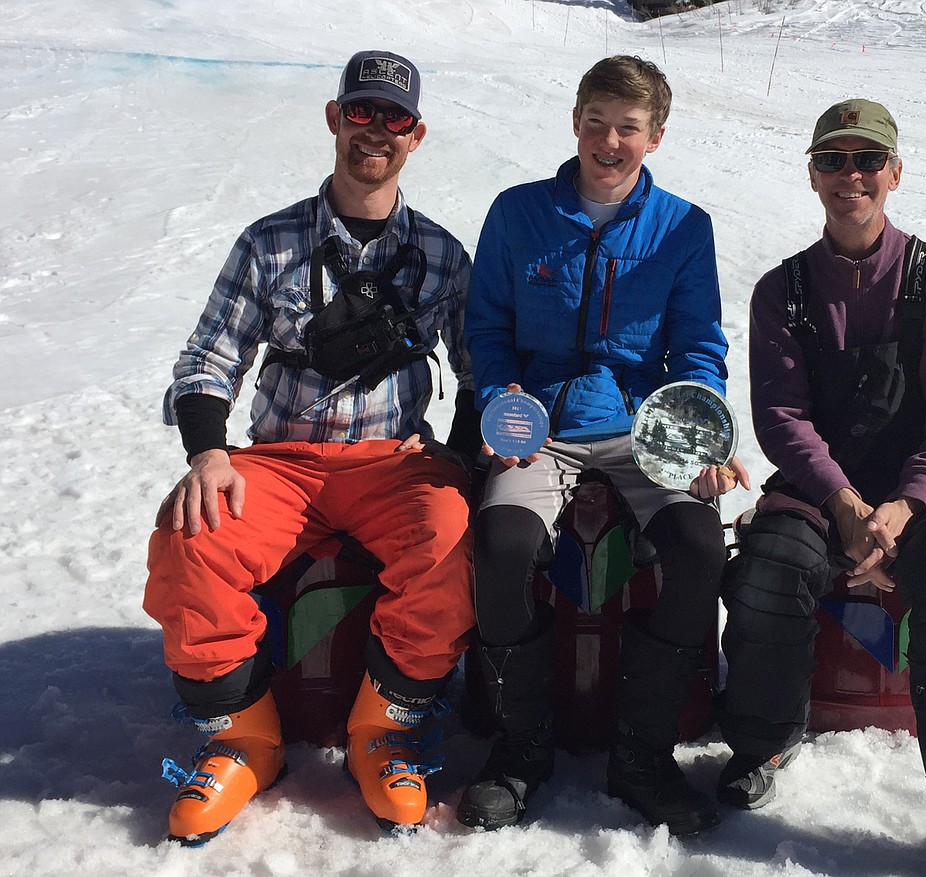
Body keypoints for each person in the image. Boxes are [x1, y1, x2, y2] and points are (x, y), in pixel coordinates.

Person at [143, 50, 480, 845]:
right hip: (279, 461)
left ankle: (387, 730)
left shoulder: (440, 255)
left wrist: (469, 458)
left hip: (392, 460)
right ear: (335, 118)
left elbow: (480, 370)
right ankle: (242, 739)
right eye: (361, 111)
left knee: (451, 541)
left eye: (394, 119)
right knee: (190, 539)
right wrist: (207, 454)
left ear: (416, 135)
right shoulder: (270, 241)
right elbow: (208, 357)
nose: (376, 131)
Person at [718, 98, 926, 875]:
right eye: (833, 160)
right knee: (769, 567)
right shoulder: (784, 291)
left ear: (895, 173)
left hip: (921, 492)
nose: (850, 175)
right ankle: (762, 739)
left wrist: (902, 504)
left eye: (867, 160)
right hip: (818, 485)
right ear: (812, 176)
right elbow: (783, 416)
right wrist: (843, 501)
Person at [457, 55, 749, 837]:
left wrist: (701, 427)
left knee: (694, 544)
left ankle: (642, 751)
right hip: (539, 421)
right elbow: (486, 328)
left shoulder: (684, 227)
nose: (608, 141)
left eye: (627, 127)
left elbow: (696, 345)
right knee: (501, 540)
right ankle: (521, 745)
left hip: (638, 423)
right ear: (575, 121)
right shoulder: (518, 214)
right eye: (596, 122)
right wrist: (501, 397)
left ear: (655, 135)